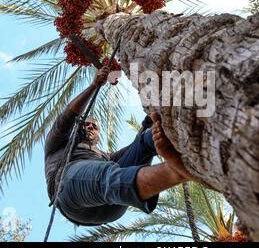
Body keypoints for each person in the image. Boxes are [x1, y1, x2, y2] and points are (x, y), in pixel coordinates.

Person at [44, 66, 194, 226]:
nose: (90, 127)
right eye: (86, 124)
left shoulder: (103, 157)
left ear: (97, 137)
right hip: (71, 195)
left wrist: (148, 120)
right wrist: (94, 86)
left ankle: (188, 141)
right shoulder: (58, 144)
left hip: (115, 199)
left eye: (94, 127)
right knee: (105, 174)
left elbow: (134, 149)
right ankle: (179, 171)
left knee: (144, 142)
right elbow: (67, 116)